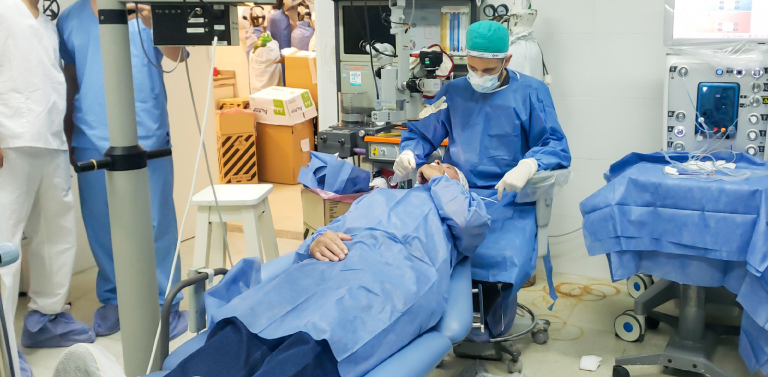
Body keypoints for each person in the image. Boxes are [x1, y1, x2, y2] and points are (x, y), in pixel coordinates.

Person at [51, 162, 487, 377]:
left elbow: (470, 226)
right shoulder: (380, 195)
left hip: (391, 280)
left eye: (449, 174)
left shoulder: (461, 211)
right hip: (328, 266)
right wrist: (315, 242)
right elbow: (331, 220)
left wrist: (443, 175)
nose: (437, 173)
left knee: (315, 344)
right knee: (248, 327)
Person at [394, 20, 571, 340]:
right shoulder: (455, 91)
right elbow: (421, 133)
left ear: (507, 61)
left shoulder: (531, 92)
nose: (478, 77)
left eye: (488, 71)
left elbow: (555, 146)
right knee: (427, 247)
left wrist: (529, 165)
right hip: (456, 194)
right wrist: (409, 153)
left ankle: (491, 323)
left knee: (498, 259)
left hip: (510, 201)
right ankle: (443, 324)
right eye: (472, 68)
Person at [57, 0, 188, 339]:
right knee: (102, 227)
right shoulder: (70, 21)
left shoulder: (145, 12)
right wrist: (67, 136)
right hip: (90, 141)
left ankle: (167, 302)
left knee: (156, 226)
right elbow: (69, 82)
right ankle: (114, 300)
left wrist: (155, 23)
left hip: (148, 138)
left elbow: (177, 54)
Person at [0, 0, 96, 375]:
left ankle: (45, 318)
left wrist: (68, 134)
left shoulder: (45, 17)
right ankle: (3, 347)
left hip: (51, 139)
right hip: (10, 140)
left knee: (56, 235)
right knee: (5, 247)